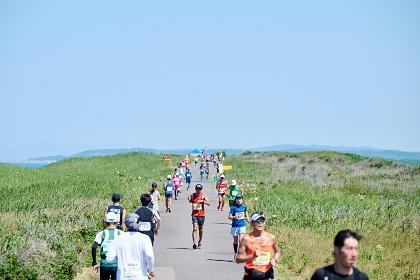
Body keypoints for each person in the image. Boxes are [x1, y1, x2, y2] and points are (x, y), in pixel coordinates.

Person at [106, 213, 155, 280]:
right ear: (139, 224)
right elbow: (149, 255)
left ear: (126, 224)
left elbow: (109, 259)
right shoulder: (145, 238)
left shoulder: (117, 239)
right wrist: (151, 270)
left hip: (122, 276)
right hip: (140, 276)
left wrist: (119, 259)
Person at [236, 212, 281, 280]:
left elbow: (278, 251)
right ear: (252, 223)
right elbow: (238, 259)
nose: (260, 223)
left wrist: (275, 260)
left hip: (267, 274)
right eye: (257, 221)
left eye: (262, 221)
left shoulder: (271, 238)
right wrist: (252, 256)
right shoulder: (246, 239)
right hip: (251, 275)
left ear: (265, 223)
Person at [92, 212, 123, 280]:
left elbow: (94, 247)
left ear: (105, 222)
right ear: (117, 222)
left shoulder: (101, 233)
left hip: (104, 264)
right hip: (117, 264)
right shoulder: (121, 233)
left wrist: (94, 262)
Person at [188, 184, 210, 249]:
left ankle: (199, 242)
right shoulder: (192, 195)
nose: (198, 190)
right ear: (195, 189)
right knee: (195, 228)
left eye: (199, 189)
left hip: (201, 215)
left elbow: (209, 203)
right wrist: (189, 199)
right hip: (194, 215)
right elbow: (189, 199)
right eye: (197, 189)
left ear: (201, 189)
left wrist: (203, 201)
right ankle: (194, 243)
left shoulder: (203, 195)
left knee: (200, 229)